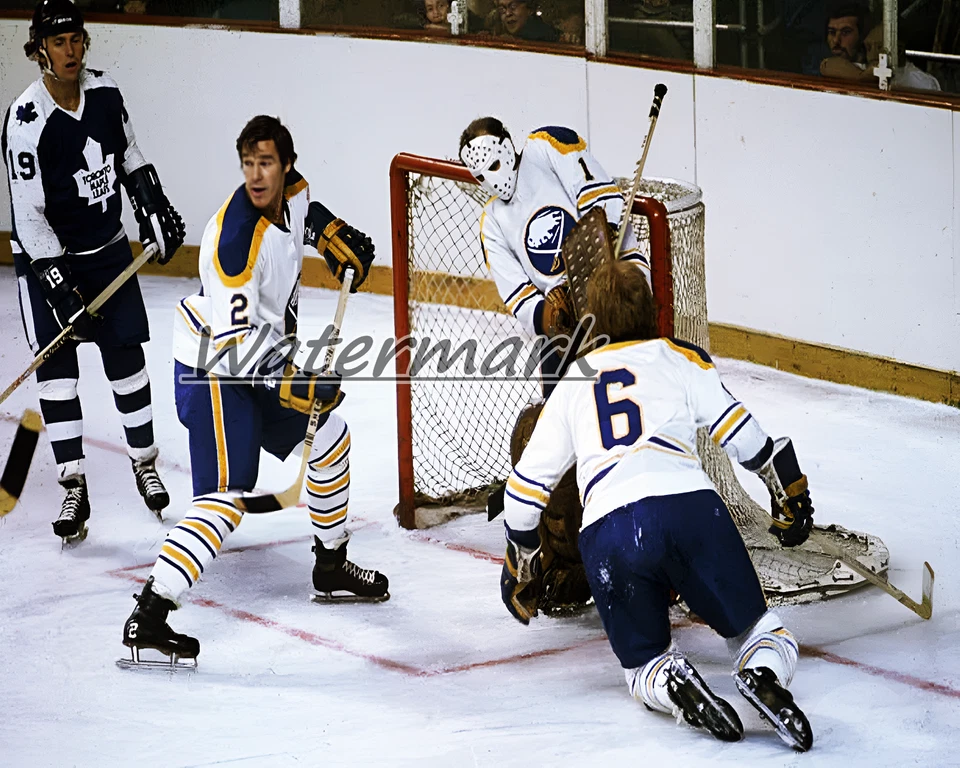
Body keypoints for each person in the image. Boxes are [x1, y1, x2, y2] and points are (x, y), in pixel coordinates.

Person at [491, 258, 815, 751]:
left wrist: (522, 559)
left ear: (590, 327)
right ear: (655, 311)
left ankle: (674, 685)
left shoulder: (572, 383)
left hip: (610, 531)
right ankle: (764, 676)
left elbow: (522, 496)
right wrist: (787, 492)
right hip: (691, 511)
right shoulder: (680, 357)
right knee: (759, 632)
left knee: (644, 665)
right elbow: (748, 442)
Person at [120, 115, 387, 667]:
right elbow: (236, 347)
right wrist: (295, 380)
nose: (257, 175)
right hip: (216, 369)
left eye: (266, 162)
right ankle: (149, 613)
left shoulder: (291, 191)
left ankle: (330, 564)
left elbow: (306, 213)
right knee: (224, 499)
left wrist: (331, 233)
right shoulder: (234, 243)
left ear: (285, 165)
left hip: (260, 357)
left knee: (330, 437)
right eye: (248, 163)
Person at [2, 0, 185, 544]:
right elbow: (28, 214)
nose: (71, 51)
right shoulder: (26, 119)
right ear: (39, 49)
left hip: (108, 253)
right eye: (59, 43)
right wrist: (57, 286)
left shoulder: (106, 94)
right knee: (58, 378)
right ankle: (73, 485)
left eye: (77, 40)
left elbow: (130, 156)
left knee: (126, 358)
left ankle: (143, 462)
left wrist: (153, 204)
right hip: (48, 259)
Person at [458, 117, 648, 396]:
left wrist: (596, 276)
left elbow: (601, 201)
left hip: (620, 277)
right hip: (572, 317)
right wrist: (553, 316)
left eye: (494, 166)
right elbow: (521, 299)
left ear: (507, 148)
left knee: (634, 379)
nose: (493, 181)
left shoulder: (544, 147)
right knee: (556, 389)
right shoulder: (492, 222)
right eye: (482, 177)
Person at [486, 0, 560, 42]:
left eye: (513, 6)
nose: (508, 13)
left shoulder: (545, 37)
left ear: (530, 9)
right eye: (502, 9)